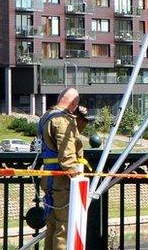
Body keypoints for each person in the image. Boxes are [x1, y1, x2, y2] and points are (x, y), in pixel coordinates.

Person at [38, 87, 83, 250]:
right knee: (64, 228)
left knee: (52, 226)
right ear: (75, 102)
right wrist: (76, 176)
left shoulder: (47, 116)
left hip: (49, 178)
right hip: (62, 182)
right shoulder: (63, 120)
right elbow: (67, 154)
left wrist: (80, 120)